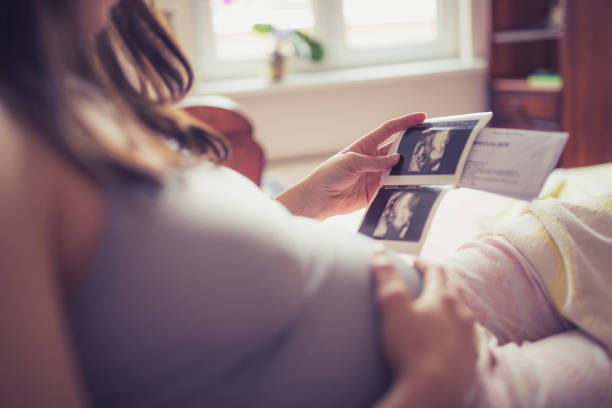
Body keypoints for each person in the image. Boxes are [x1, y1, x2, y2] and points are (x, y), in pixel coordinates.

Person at [2, 0, 612, 407]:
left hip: (427, 313)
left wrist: (299, 204)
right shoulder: (15, 154)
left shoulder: (66, 98)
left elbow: (153, 283)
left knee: (575, 225)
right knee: (599, 351)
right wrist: (431, 386)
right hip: (451, 380)